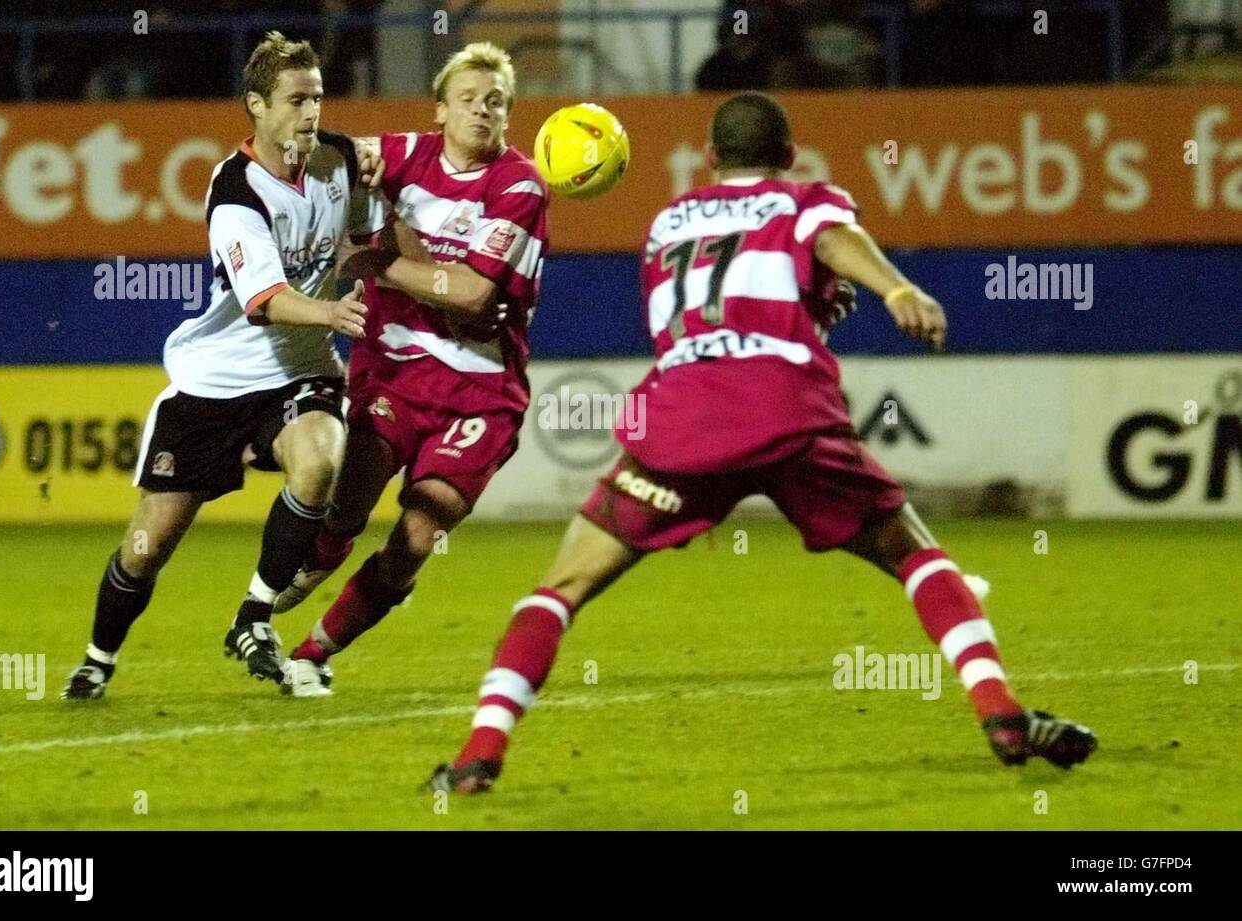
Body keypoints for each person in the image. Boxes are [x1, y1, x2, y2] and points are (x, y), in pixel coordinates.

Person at [428, 92, 1097, 792]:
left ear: (710, 159)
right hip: (786, 412)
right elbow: (832, 238)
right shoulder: (806, 199)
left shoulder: (664, 227)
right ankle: (1000, 711)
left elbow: (693, 323)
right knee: (915, 555)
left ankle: (480, 753)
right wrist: (895, 289)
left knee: (559, 588)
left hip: (682, 422)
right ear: (787, 157)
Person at [62, 32, 376, 699]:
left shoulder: (341, 159)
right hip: (217, 381)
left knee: (320, 457)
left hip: (300, 371)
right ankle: (98, 656)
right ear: (256, 106)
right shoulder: (236, 190)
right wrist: (335, 313)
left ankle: (254, 615)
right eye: (295, 99)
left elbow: (363, 239)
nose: (311, 112)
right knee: (147, 547)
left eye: (317, 96)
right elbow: (262, 301)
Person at [270, 42, 551, 698]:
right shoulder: (400, 155)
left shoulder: (519, 186)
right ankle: (325, 551)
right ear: (440, 111)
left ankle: (315, 651)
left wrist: (374, 261)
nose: (484, 109)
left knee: (420, 534)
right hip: (394, 367)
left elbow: (475, 293)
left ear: (507, 116)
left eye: (497, 102)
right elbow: (320, 156)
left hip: (482, 392)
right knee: (352, 494)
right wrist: (329, 154)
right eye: (470, 99)